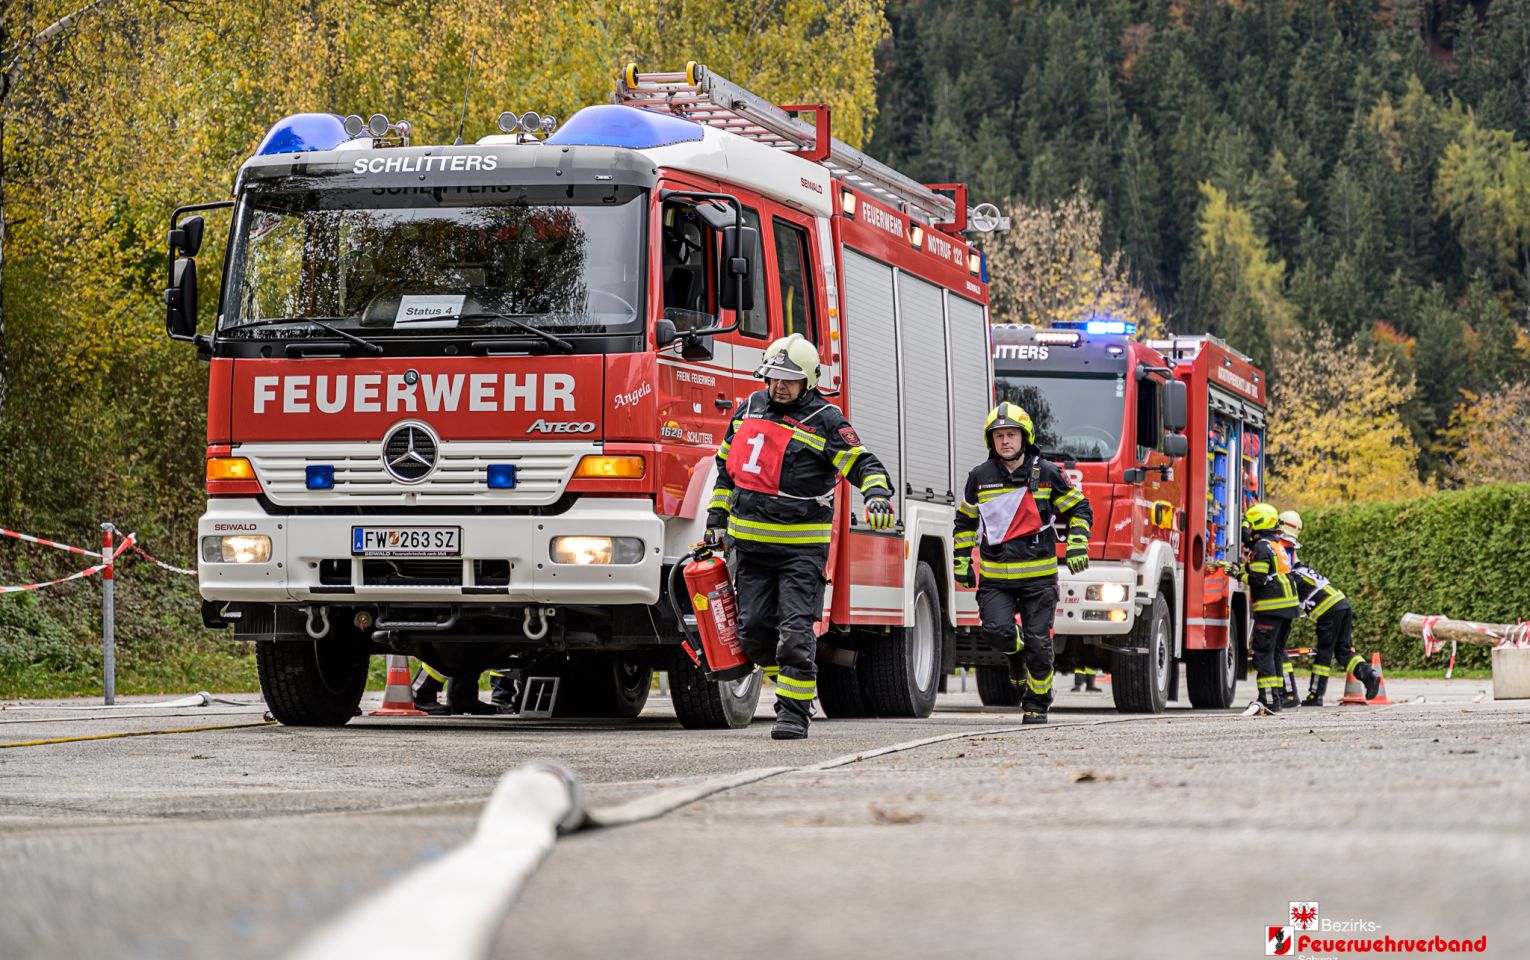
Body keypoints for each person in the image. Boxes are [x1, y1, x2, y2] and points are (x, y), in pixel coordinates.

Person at [704, 333, 896, 740]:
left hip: (800, 553)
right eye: (773, 378)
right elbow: (725, 469)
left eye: (789, 380)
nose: (779, 386)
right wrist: (716, 517)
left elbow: (862, 462)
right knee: (753, 635)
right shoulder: (749, 409)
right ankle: (798, 681)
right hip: (750, 550)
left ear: (808, 381)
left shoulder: (826, 419)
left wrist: (877, 494)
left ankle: (793, 714)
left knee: (794, 635)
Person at [952, 403, 1092, 725]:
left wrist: (1077, 543)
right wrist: (961, 560)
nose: (1005, 441)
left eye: (1011, 434)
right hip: (995, 578)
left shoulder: (1049, 474)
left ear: (1024, 437)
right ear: (991, 440)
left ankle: (1037, 704)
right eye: (999, 435)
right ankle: (1016, 655)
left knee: (1039, 645)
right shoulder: (979, 477)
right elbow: (966, 521)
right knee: (996, 632)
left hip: (1038, 579)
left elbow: (1080, 508)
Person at [1276, 511, 1380, 706]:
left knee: (1324, 652)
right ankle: (1368, 674)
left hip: (1329, 612)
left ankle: (1316, 695)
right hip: (1343, 604)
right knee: (1343, 651)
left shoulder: (1292, 576)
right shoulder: (1303, 570)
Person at [1232, 503, 1300, 713]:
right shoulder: (1276, 545)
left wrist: (1235, 574)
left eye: (1249, 525)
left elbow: (1258, 579)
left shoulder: (1260, 547)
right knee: (1276, 652)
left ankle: (1268, 699)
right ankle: (1276, 698)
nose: (1247, 530)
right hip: (1287, 609)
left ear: (1258, 524)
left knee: (1263, 653)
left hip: (1272, 609)